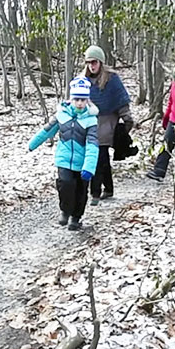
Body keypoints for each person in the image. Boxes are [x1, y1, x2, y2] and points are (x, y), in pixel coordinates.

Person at [28, 77, 99, 231]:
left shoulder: (91, 120)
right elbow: (47, 130)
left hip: (82, 163)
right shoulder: (62, 115)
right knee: (65, 184)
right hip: (64, 159)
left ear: (87, 101)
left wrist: (89, 167)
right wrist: (33, 144)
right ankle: (65, 210)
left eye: (83, 99)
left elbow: (93, 145)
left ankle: (76, 217)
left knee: (81, 191)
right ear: (71, 99)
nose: (79, 103)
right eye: (76, 99)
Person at [83, 45, 133, 206]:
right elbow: (76, 101)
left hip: (107, 121)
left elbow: (121, 100)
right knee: (100, 158)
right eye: (89, 62)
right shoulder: (83, 80)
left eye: (94, 62)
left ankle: (95, 193)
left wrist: (127, 119)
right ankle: (109, 188)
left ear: (101, 62)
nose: (92, 65)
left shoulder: (112, 79)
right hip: (89, 123)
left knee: (99, 157)